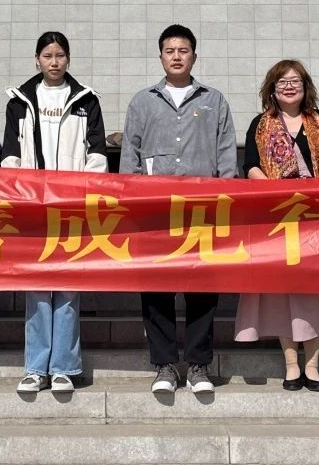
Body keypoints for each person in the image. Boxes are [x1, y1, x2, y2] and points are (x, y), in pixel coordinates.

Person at [235, 59, 319, 391]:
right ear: (272, 89)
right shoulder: (260, 124)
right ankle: (291, 364)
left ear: (305, 86)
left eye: (295, 80)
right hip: (278, 216)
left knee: (316, 289)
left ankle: (312, 364)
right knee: (282, 291)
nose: (289, 86)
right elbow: (250, 165)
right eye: (282, 81)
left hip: (317, 216)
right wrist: (275, 190)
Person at [120, 24, 237, 395]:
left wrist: (226, 197)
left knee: (203, 288)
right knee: (157, 288)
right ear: (160, 57)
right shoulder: (142, 101)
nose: (176, 56)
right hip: (155, 213)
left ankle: (199, 365)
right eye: (169, 50)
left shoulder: (214, 100)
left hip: (202, 211)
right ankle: (165, 366)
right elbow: (130, 154)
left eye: (183, 50)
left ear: (194, 56)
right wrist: (131, 200)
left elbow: (226, 152)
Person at [2, 31, 107, 395]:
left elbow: (97, 155)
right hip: (34, 208)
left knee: (67, 288)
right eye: (47, 55)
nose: (54, 61)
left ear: (68, 59)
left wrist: (82, 195)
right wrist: (20, 197)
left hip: (71, 208)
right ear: (37, 60)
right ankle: (35, 368)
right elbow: (10, 155)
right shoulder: (20, 101)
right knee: (36, 288)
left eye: (60, 55)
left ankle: (63, 367)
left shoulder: (86, 100)